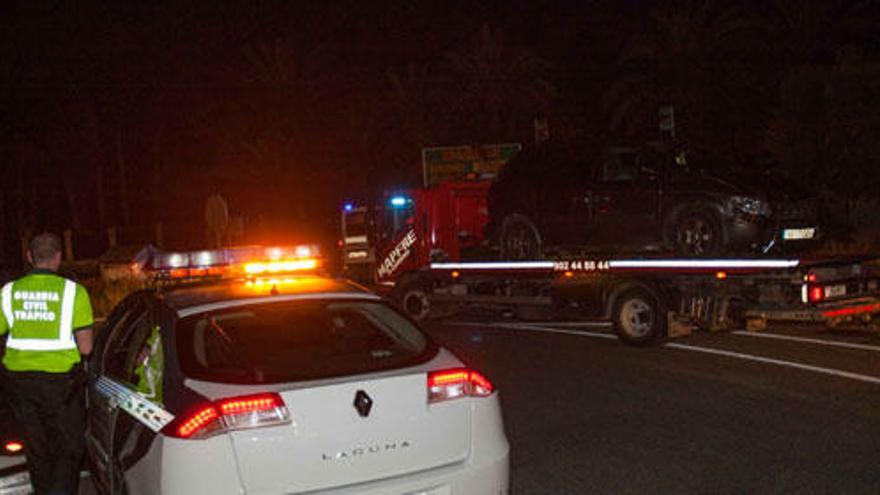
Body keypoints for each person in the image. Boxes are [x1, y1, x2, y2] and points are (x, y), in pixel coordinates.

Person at [0, 233, 94, 495]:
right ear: (58, 258)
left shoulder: (8, 292)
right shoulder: (74, 292)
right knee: (70, 448)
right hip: (59, 386)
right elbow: (86, 347)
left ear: (29, 257)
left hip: (19, 386)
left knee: (37, 449)